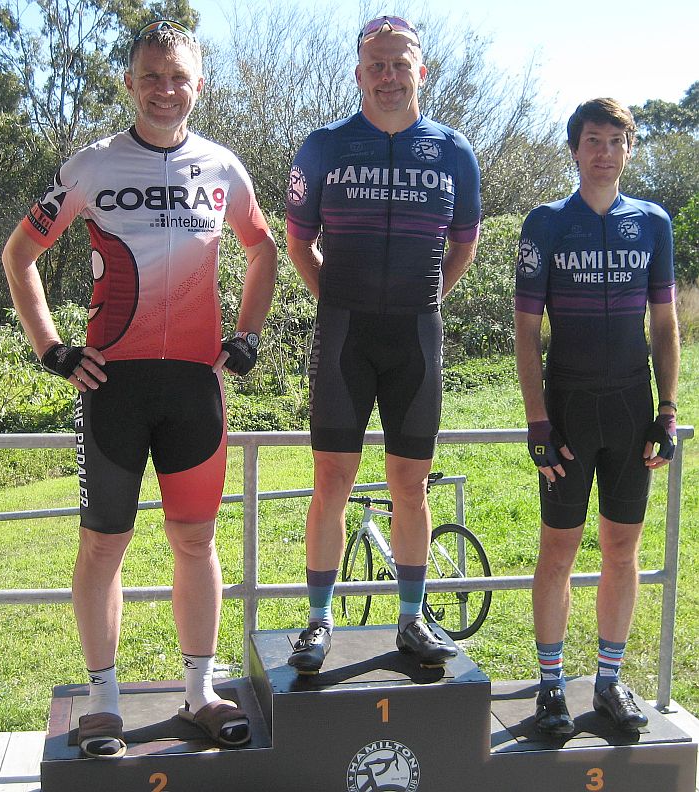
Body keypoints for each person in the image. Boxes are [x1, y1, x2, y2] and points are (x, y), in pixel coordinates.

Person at [2, 20, 277, 757]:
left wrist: (246, 336)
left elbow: (263, 250)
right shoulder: (91, 166)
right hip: (113, 387)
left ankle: (200, 693)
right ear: (129, 82)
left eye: (178, 77)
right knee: (103, 544)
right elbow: (20, 253)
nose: (164, 90)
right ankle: (103, 704)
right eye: (151, 76)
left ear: (199, 85)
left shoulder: (223, 168)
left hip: (194, 387)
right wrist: (52, 349)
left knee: (195, 539)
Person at [285, 16, 481, 674]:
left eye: (400, 64)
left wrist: (424, 298)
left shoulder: (453, 151)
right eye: (377, 65)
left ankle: (410, 618)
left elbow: (463, 246)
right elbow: (297, 242)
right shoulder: (324, 145)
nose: (389, 76)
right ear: (358, 74)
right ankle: (318, 619)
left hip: (415, 337)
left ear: (420, 71)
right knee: (330, 481)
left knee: (410, 485)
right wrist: (339, 298)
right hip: (345, 334)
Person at [515, 98, 680, 735]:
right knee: (557, 549)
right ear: (574, 150)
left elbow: (664, 325)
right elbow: (526, 331)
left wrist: (668, 411)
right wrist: (537, 423)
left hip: (632, 409)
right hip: (568, 410)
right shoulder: (547, 223)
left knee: (621, 548)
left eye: (616, 141)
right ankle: (551, 687)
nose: (604, 152)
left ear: (629, 149)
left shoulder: (654, 223)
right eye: (592, 140)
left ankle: (609, 682)